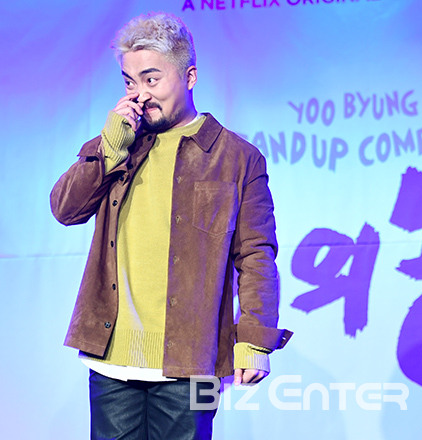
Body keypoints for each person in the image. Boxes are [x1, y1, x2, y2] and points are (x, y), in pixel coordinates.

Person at [50, 11, 291, 439]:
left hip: (191, 361)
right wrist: (109, 148)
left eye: (152, 79)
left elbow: (256, 256)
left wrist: (254, 340)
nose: (139, 94)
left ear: (189, 76)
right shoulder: (120, 144)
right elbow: (65, 209)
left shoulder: (237, 158)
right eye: (129, 82)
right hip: (112, 361)